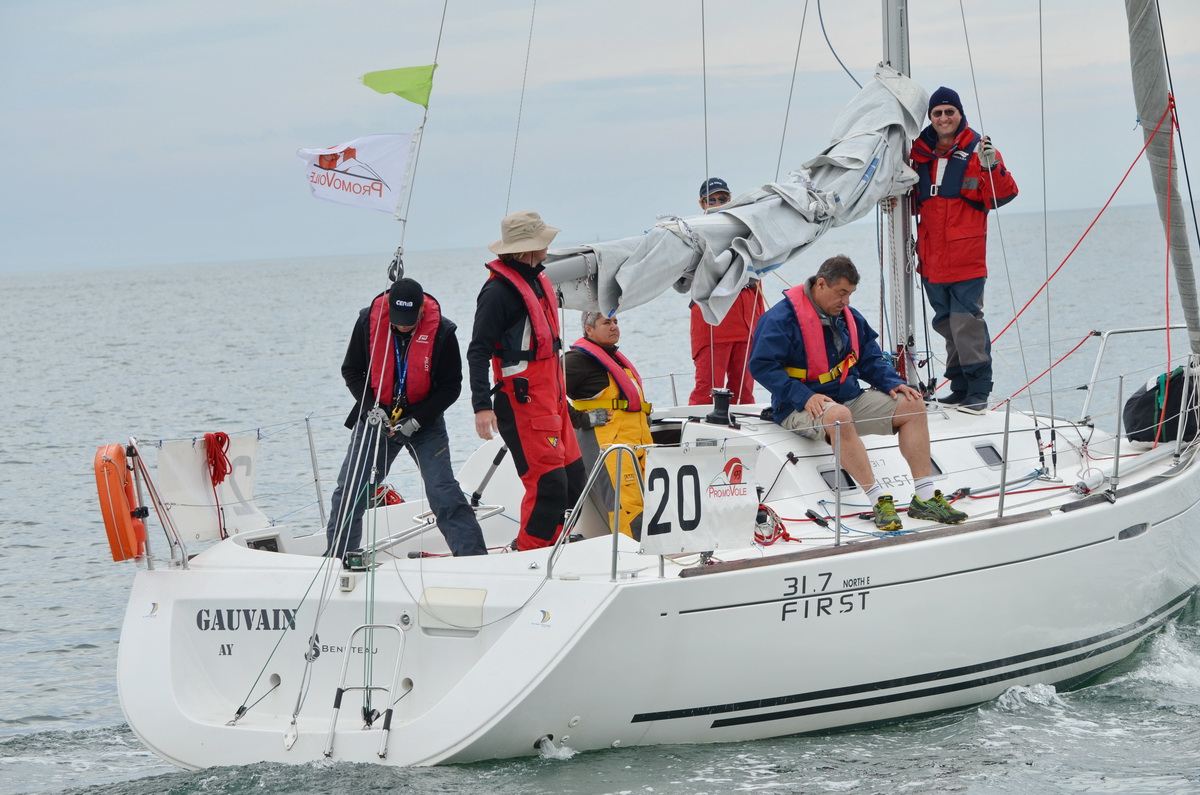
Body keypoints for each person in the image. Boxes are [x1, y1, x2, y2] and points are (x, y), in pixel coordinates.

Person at [749, 255, 968, 531]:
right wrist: (804, 396)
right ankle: (878, 501)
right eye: (841, 293)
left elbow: (869, 358)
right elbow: (762, 366)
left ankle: (925, 499)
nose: (846, 301)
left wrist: (891, 382)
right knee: (839, 415)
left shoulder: (849, 317)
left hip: (846, 396)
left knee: (913, 404)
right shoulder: (780, 319)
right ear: (820, 284)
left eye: (850, 294)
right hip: (798, 405)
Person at [325, 277, 488, 559]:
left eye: (410, 321)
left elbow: (451, 387)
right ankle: (339, 558)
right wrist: (372, 409)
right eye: (398, 320)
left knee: (442, 490)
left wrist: (416, 422)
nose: (403, 326)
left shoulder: (443, 331)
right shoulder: (367, 322)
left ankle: (472, 557)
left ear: (422, 309)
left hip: (425, 421)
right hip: (377, 417)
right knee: (350, 490)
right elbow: (351, 371)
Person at [467, 210, 586, 551]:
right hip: (523, 405)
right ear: (528, 249)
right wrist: (481, 406)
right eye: (543, 240)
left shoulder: (536, 280)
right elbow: (477, 352)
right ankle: (529, 553)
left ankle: (556, 545)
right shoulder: (497, 294)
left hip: (553, 401)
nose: (548, 246)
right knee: (548, 486)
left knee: (574, 482)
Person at [910, 86, 1019, 415]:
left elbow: (1003, 195)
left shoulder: (979, 151)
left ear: (960, 114)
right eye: (937, 113)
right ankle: (959, 388)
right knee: (945, 324)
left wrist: (991, 166)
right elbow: (912, 202)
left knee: (966, 324)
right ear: (930, 117)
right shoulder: (920, 155)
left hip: (966, 260)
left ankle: (979, 391)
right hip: (931, 261)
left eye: (949, 112)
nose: (943, 118)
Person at [565, 312, 654, 538]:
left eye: (615, 322)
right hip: (609, 446)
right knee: (627, 507)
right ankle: (630, 554)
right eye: (606, 323)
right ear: (589, 330)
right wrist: (581, 419)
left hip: (638, 444)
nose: (614, 327)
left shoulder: (613, 359)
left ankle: (654, 551)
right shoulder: (577, 360)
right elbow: (545, 390)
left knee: (650, 501)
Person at [689, 177, 766, 406]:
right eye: (711, 200)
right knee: (707, 391)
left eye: (722, 198)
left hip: (746, 325)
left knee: (744, 392)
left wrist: (760, 325)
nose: (717, 203)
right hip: (713, 324)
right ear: (702, 204)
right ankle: (696, 426)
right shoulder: (694, 234)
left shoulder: (747, 230)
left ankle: (744, 426)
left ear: (731, 199)